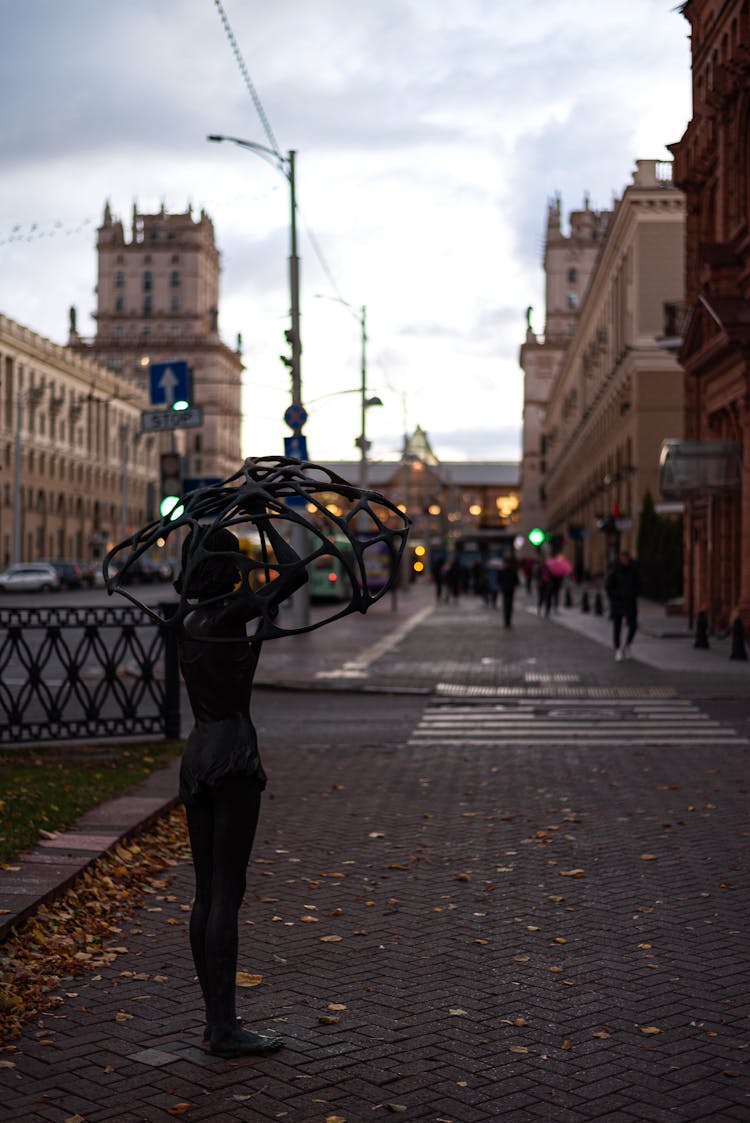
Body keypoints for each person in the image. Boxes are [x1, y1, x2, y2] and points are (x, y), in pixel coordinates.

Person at [175, 520, 307, 1058]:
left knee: (206, 892)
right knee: (228, 892)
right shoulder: (231, 613)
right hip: (233, 755)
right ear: (230, 566)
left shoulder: (185, 620)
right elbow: (294, 572)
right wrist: (262, 519)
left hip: (196, 756)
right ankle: (225, 1028)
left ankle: (214, 1022)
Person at [605, 549, 640, 661]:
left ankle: (628, 645)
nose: (624, 560)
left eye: (626, 558)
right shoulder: (615, 571)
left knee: (633, 625)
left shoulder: (633, 570)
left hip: (630, 602)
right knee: (617, 627)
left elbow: (638, 583)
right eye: (622, 559)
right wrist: (615, 596)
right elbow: (608, 586)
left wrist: (634, 593)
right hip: (618, 603)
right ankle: (618, 649)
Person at [496, 556, 519, 627]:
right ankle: (506, 621)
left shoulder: (512, 571)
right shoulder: (502, 571)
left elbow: (516, 581)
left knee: (509, 606)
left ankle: (508, 621)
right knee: (506, 606)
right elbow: (499, 580)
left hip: (510, 590)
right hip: (505, 590)